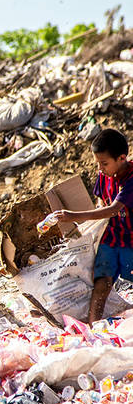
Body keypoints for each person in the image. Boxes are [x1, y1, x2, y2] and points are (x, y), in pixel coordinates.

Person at [52, 128, 133, 325]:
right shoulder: (104, 175)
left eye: (104, 163)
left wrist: (73, 216)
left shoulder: (131, 179)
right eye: (97, 163)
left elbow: (112, 209)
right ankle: (94, 327)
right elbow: (100, 201)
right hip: (112, 237)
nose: (100, 168)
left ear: (122, 158)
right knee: (102, 282)